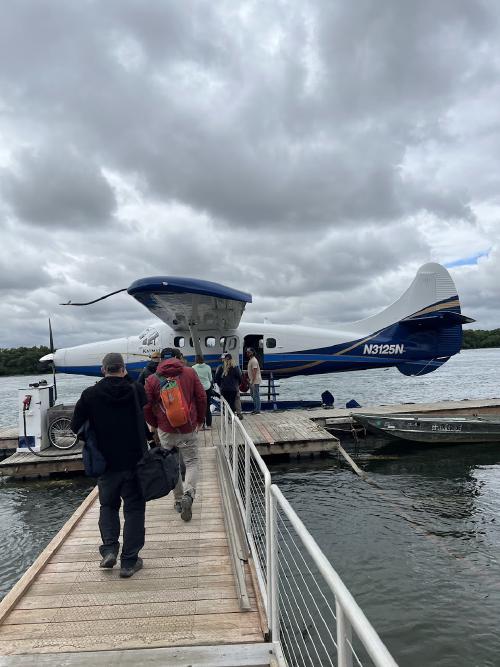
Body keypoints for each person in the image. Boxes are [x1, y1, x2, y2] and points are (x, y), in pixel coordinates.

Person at [70, 353, 147, 579]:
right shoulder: (136, 390)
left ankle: (110, 549)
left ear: (103, 370)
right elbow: (145, 416)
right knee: (134, 510)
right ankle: (129, 562)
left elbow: (76, 427)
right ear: (123, 369)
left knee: (108, 506)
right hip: (134, 461)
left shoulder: (89, 395)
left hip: (105, 463)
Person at [144, 350, 206, 522]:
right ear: (178, 359)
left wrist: (154, 424)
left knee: (172, 465)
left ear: (160, 361)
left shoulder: (151, 379)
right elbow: (201, 397)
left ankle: (178, 500)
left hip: (166, 429)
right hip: (188, 426)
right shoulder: (190, 372)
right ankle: (189, 494)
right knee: (192, 462)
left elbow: (146, 406)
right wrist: (200, 419)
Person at [192, 354, 213, 429]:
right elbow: (210, 379)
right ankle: (209, 425)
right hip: (207, 388)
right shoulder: (208, 367)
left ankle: (202, 425)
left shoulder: (193, 368)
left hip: (198, 389)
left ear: (196, 360)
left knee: (199, 407)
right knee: (207, 407)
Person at [246, 347, 262, 414]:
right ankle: (256, 408)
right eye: (247, 352)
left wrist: (252, 381)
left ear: (252, 352)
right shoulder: (251, 360)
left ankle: (257, 409)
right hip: (252, 380)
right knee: (252, 394)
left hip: (255, 381)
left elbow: (255, 372)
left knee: (256, 395)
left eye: (249, 352)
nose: (247, 353)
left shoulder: (254, 360)